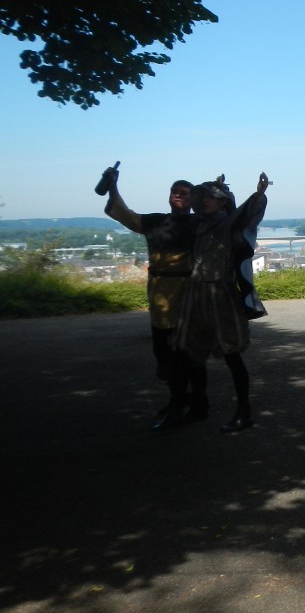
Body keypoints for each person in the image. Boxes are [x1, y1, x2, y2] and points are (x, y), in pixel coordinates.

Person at [101, 169, 208, 429]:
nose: (178, 196)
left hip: (188, 294)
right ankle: (183, 399)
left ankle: (187, 404)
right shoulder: (155, 221)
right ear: (169, 197)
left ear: (193, 199)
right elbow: (124, 214)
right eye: (175, 191)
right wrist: (113, 186)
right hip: (160, 295)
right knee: (164, 352)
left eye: (184, 193)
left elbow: (231, 224)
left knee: (187, 353)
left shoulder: (200, 224)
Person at [174, 173, 270, 432]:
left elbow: (247, 215)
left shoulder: (228, 225)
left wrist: (259, 194)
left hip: (220, 294)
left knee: (231, 354)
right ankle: (197, 404)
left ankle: (243, 412)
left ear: (223, 202)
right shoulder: (197, 225)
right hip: (196, 295)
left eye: (212, 198)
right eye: (203, 197)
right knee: (192, 353)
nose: (205, 202)